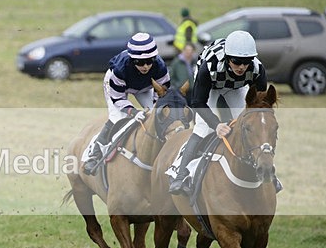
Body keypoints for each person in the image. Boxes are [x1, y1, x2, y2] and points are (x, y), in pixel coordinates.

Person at [169, 30, 267, 195]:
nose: (242, 67)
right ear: (228, 58)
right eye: (236, 61)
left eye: (246, 62)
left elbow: (260, 105)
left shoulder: (257, 69)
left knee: (250, 126)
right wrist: (216, 124)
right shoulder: (209, 67)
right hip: (211, 87)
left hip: (236, 88)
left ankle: (267, 171)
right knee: (203, 128)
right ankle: (180, 174)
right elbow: (197, 102)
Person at [83, 32, 171, 176]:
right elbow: (118, 99)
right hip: (118, 89)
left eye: (149, 61)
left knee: (159, 116)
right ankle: (94, 153)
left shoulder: (160, 67)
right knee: (118, 118)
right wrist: (133, 112)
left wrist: (156, 110)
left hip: (144, 87)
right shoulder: (120, 69)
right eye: (140, 62)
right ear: (132, 59)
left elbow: (161, 96)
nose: (146, 66)